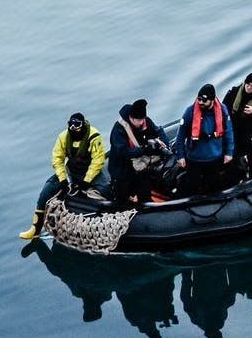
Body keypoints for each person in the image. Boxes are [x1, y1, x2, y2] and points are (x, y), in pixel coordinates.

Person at [19, 112, 109, 240]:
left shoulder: (94, 136)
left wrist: (87, 180)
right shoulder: (63, 137)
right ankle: (35, 229)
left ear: (83, 125)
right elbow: (57, 158)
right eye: (71, 124)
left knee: (106, 190)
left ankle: (109, 219)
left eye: (76, 125)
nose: (73, 128)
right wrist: (62, 179)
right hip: (72, 172)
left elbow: (98, 160)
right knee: (47, 189)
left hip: (91, 173)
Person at [173, 83, 234, 195]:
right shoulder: (189, 112)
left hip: (214, 158)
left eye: (204, 100)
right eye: (199, 99)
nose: (200, 102)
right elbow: (180, 136)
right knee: (191, 188)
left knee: (215, 188)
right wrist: (180, 156)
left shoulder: (222, 110)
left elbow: (228, 132)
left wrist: (229, 152)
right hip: (194, 159)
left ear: (212, 100)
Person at [107, 99, 170, 207]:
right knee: (122, 199)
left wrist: (163, 143)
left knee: (144, 192)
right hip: (121, 168)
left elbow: (158, 131)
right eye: (139, 120)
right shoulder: (118, 130)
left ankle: (147, 205)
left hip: (140, 166)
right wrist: (144, 150)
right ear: (131, 118)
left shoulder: (145, 121)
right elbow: (124, 151)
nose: (141, 123)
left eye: (143, 119)